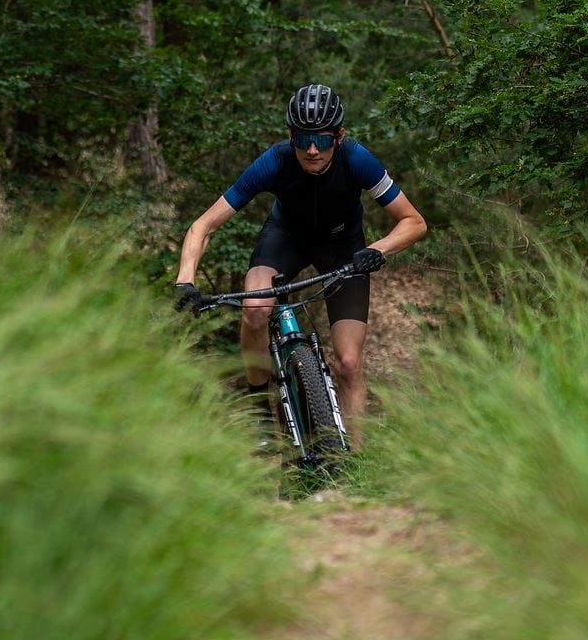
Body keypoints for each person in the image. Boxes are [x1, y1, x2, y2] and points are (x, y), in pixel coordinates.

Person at [173, 83, 427, 448]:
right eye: (303, 139)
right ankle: (259, 405)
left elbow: (414, 222)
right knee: (256, 308)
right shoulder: (275, 161)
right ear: (291, 136)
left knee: (350, 363)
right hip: (285, 240)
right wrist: (185, 280)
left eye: (322, 140)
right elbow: (204, 225)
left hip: (344, 249)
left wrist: (378, 249)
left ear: (338, 137)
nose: (311, 150)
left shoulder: (357, 159)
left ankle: (356, 466)